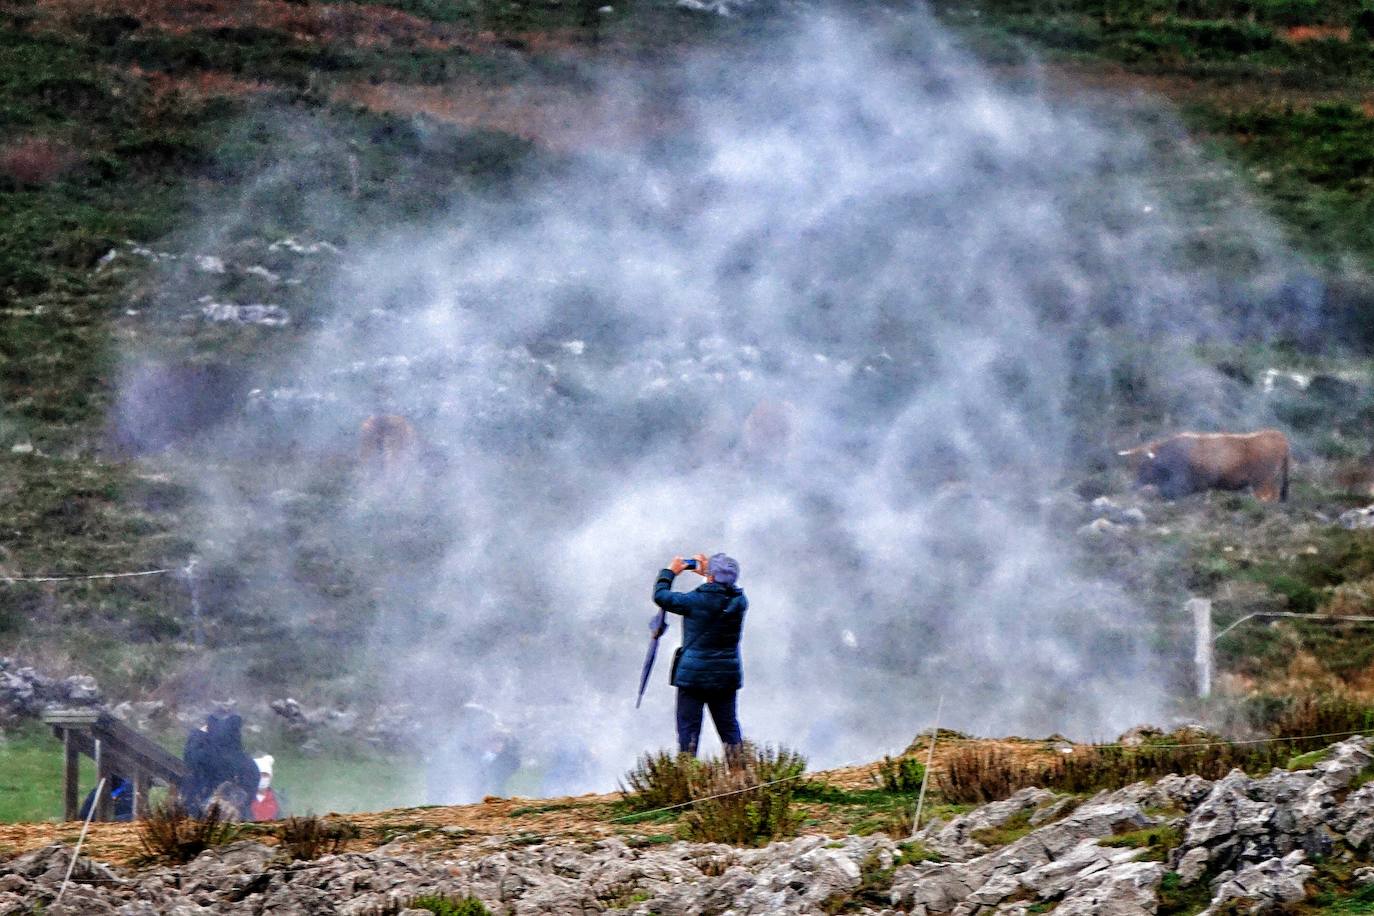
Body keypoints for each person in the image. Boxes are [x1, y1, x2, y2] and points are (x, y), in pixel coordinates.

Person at [652, 552, 748, 757]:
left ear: (711, 576)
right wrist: (710, 575)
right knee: (729, 729)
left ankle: (688, 773)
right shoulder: (740, 602)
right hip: (725, 677)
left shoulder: (695, 600)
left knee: (688, 733)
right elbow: (722, 592)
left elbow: (660, 596)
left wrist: (670, 572)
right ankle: (740, 773)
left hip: (693, 679)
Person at [181, 712, 260, 817]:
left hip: (202, 815)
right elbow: (250, 793)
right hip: (237, 819)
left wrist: (198, 734)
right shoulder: (249, 763)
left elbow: (190, 757)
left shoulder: (206, 756)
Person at [250, 754, 289, 821]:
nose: (261, 778)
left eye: (265, 775)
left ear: (270, 777)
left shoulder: (280, 799)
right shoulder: (244, 799)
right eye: (258, 775)